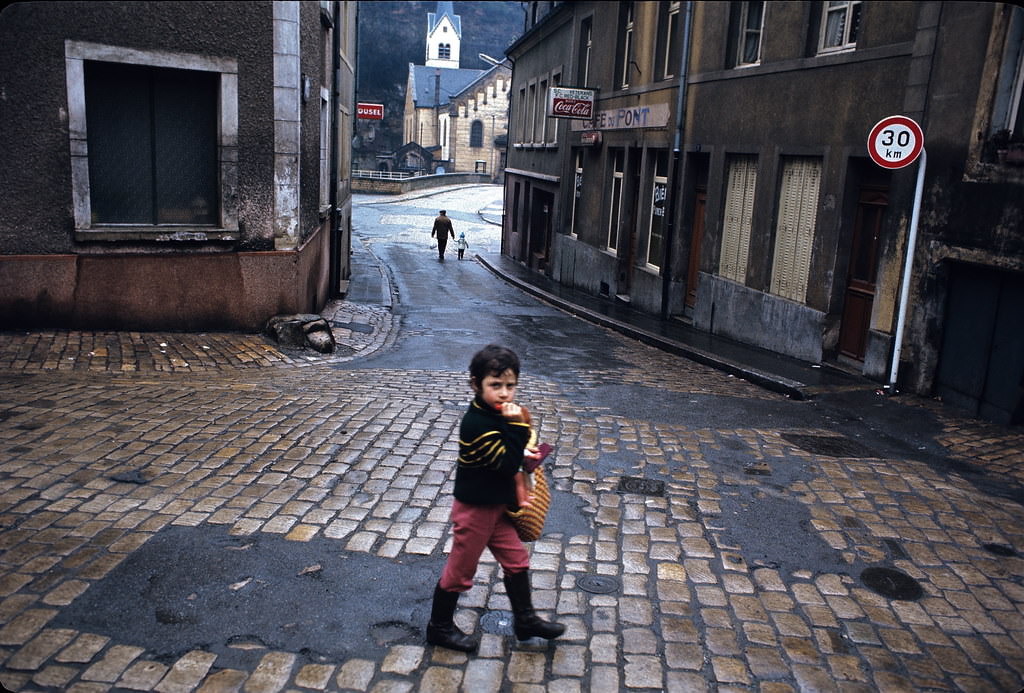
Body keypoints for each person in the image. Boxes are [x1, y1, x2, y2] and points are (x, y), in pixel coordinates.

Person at [426, 344, 565, 652]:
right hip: (475, 510)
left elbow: (512, 455)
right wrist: (517, 430)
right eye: (495, 386)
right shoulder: (477, 423)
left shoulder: (497, 413)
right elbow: (503, 462)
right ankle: (439, 627)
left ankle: (525, 620)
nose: (504, 393)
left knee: (516, 559)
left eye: (510, 386)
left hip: (497, 507)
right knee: (460, 572)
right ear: (476, 384)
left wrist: (524, 446)